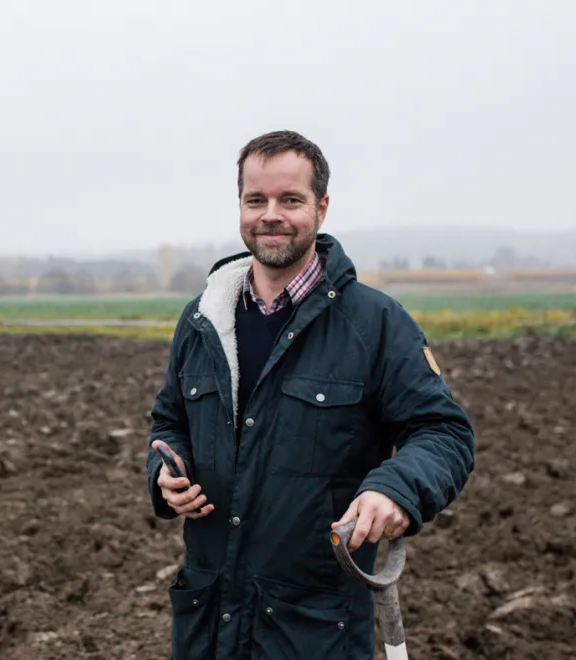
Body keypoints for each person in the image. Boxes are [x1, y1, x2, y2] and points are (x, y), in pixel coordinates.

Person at [145, 130, 475, 659]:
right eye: (256, 200)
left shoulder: (374, 322)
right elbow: (168, 421)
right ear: (240, 207)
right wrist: (165, 472)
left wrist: (394, 490)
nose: (270, 214)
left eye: (290, 200)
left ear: (321, 208)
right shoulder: (202, 319)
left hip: (313, 630)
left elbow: (444, 433)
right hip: (208, 622)